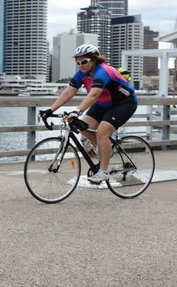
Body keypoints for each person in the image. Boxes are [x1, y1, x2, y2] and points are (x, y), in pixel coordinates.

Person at [41, 44, 137, 184]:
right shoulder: (82, 74)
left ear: (94, 59)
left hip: (124, 103)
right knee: (83, 126)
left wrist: (77, 111)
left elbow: (93, 95)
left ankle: (103, 171)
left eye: (84, 61)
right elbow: (68, 92)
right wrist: (50, 110)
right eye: (78, 62)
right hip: (104, 103)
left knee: (102, 132)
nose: (80, 65)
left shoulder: (103, 71)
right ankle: (104, 151)